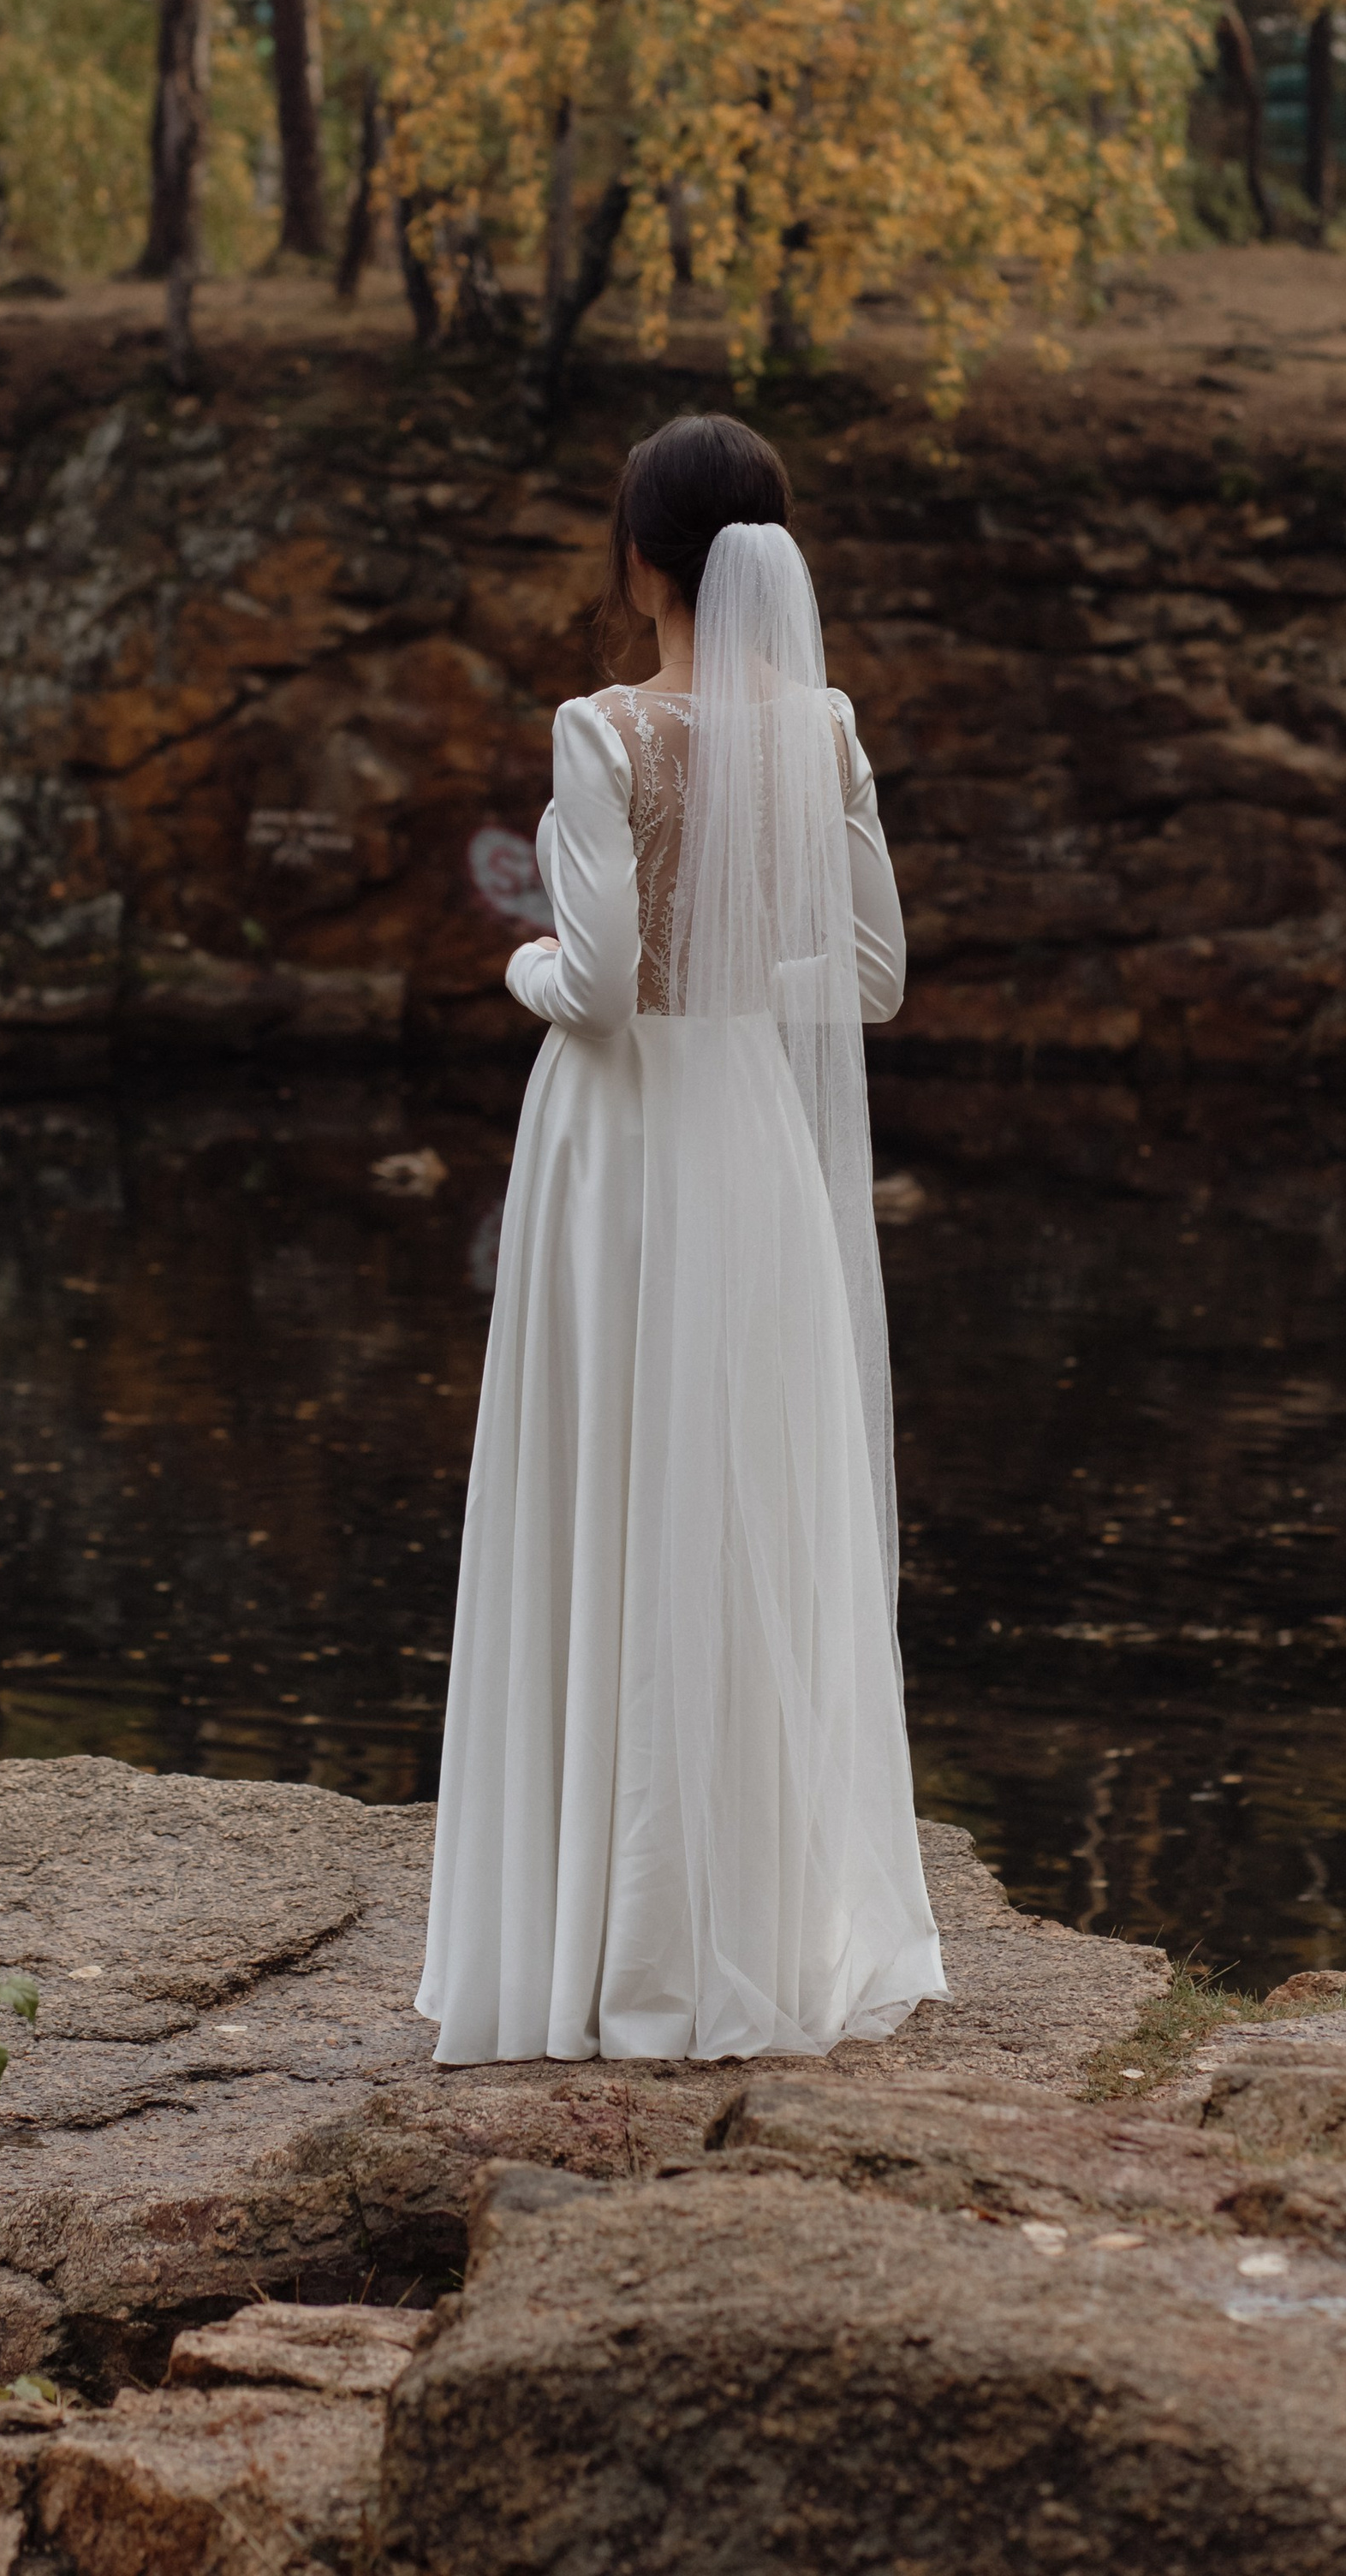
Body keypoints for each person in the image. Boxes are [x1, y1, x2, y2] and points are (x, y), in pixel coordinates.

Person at [418, 412, 946, 2064]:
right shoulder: (827, 731)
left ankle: (589, 1946)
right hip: (751, 1141)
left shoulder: (604, 732)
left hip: (621, 1144)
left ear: (638, 556)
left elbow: (584, 976)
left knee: (602, 1492)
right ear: (767, 555)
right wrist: (732, 981)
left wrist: (514, 972)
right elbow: (871, 979)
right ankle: (748, 1932)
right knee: (737, 1505)